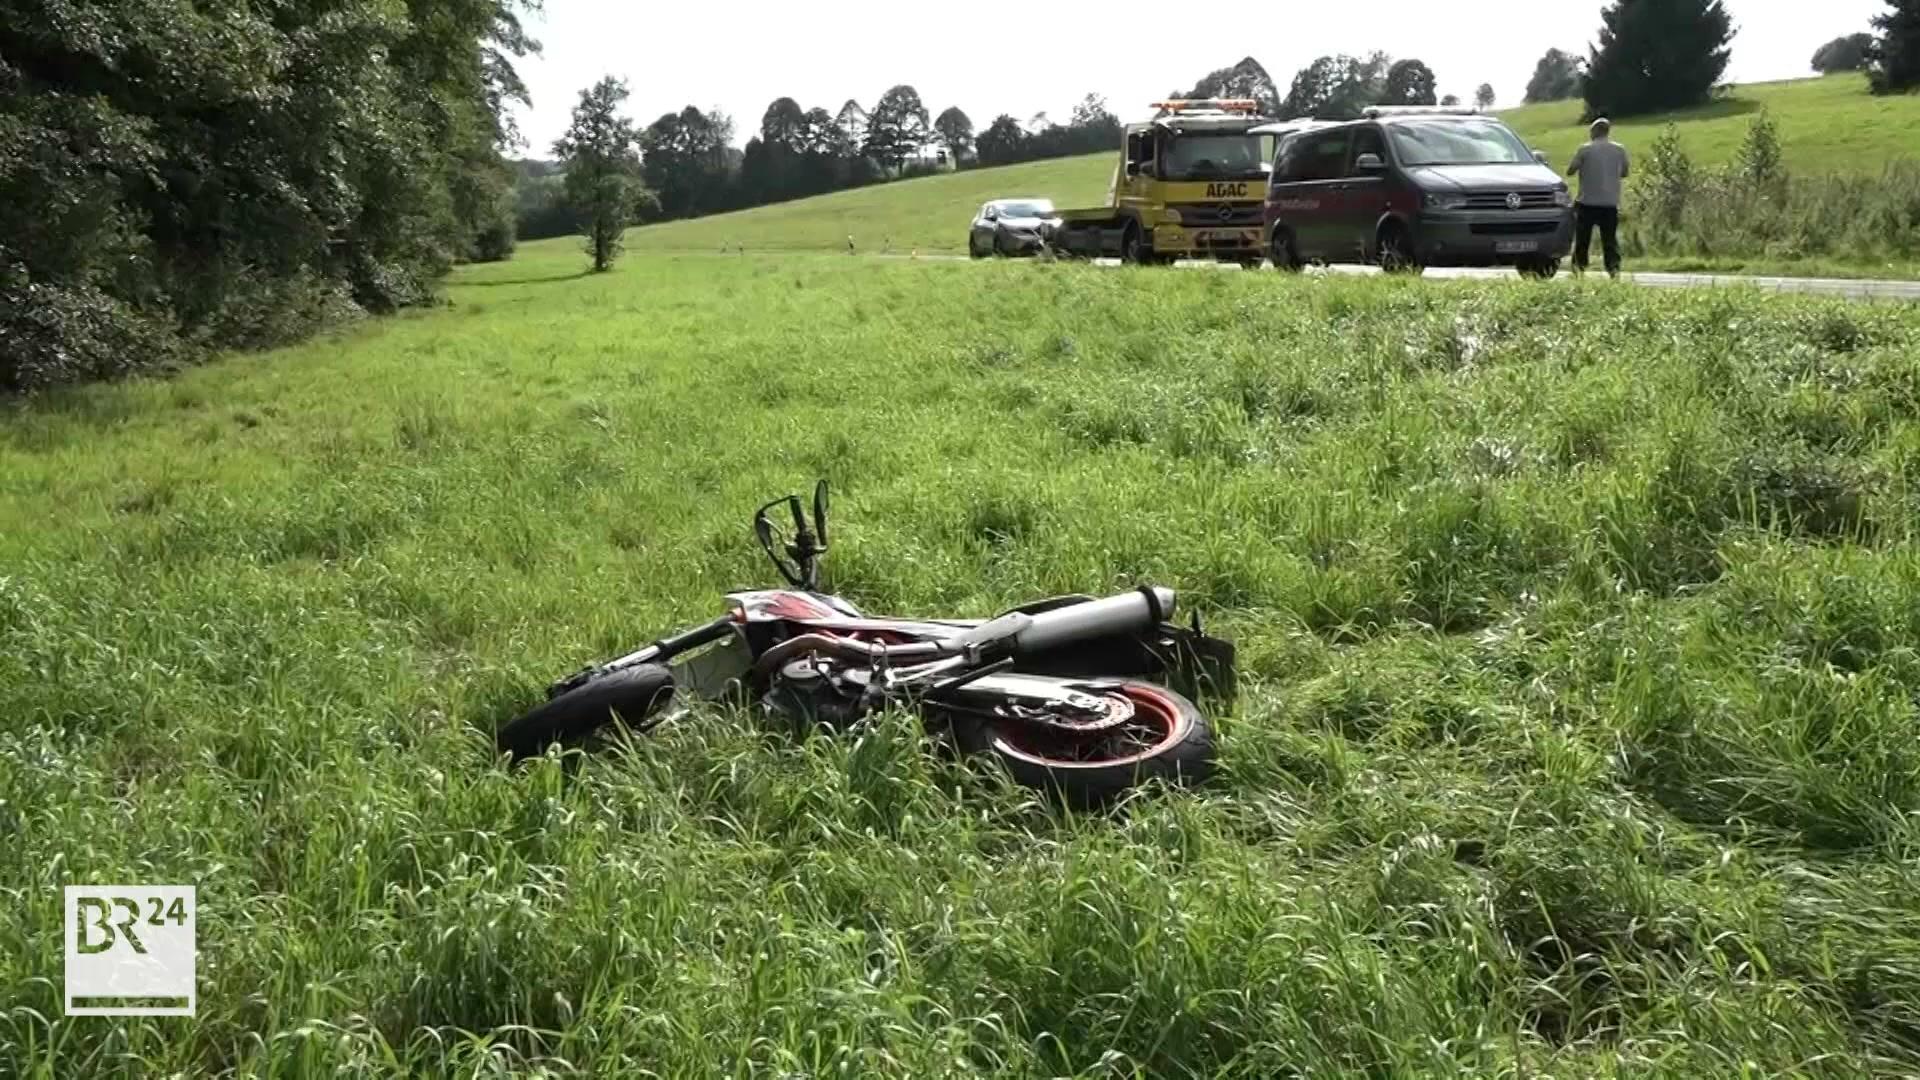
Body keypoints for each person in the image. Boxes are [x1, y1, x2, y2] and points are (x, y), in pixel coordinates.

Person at [1567, 118, 1629, 278]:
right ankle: (1613, 269)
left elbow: (1571, 170)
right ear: (1607, 131)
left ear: (1593, 131)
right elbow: (1624, 173)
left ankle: (1579, 270)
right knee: (1609, 241)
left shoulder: (1585, 150)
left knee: (1582, 240)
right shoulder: (1619, 150)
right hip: (1609, 203)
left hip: (1587, 202)